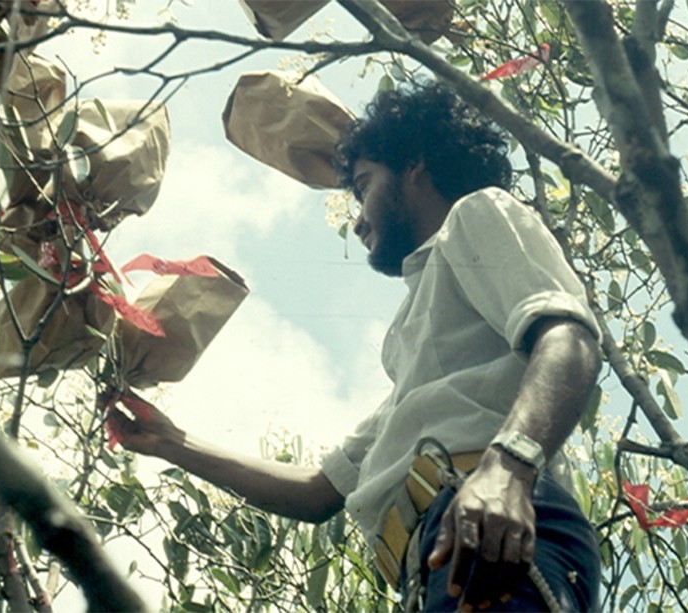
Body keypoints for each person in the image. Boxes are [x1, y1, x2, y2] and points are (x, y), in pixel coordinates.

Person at [107, 81, 603, 612]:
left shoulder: (477, 213)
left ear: (414, 167)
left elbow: (568, 338)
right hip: (439, 554)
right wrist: (171, 443)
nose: (360, 218)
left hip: (492, 518)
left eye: (364, 185)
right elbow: (318, 491)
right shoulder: (419, 364)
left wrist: (509, 469)